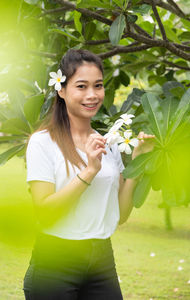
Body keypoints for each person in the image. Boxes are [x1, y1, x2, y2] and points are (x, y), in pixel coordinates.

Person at [23, 49, 154, 300]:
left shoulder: (110, 142)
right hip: (54, 263)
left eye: (98, 86)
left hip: (101, 261)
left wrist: (138, 160)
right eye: (81, 86)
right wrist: (90, 171)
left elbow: (121, 215)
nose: (92, 95)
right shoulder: (42, 142)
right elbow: (44, 212)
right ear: (61, 90)